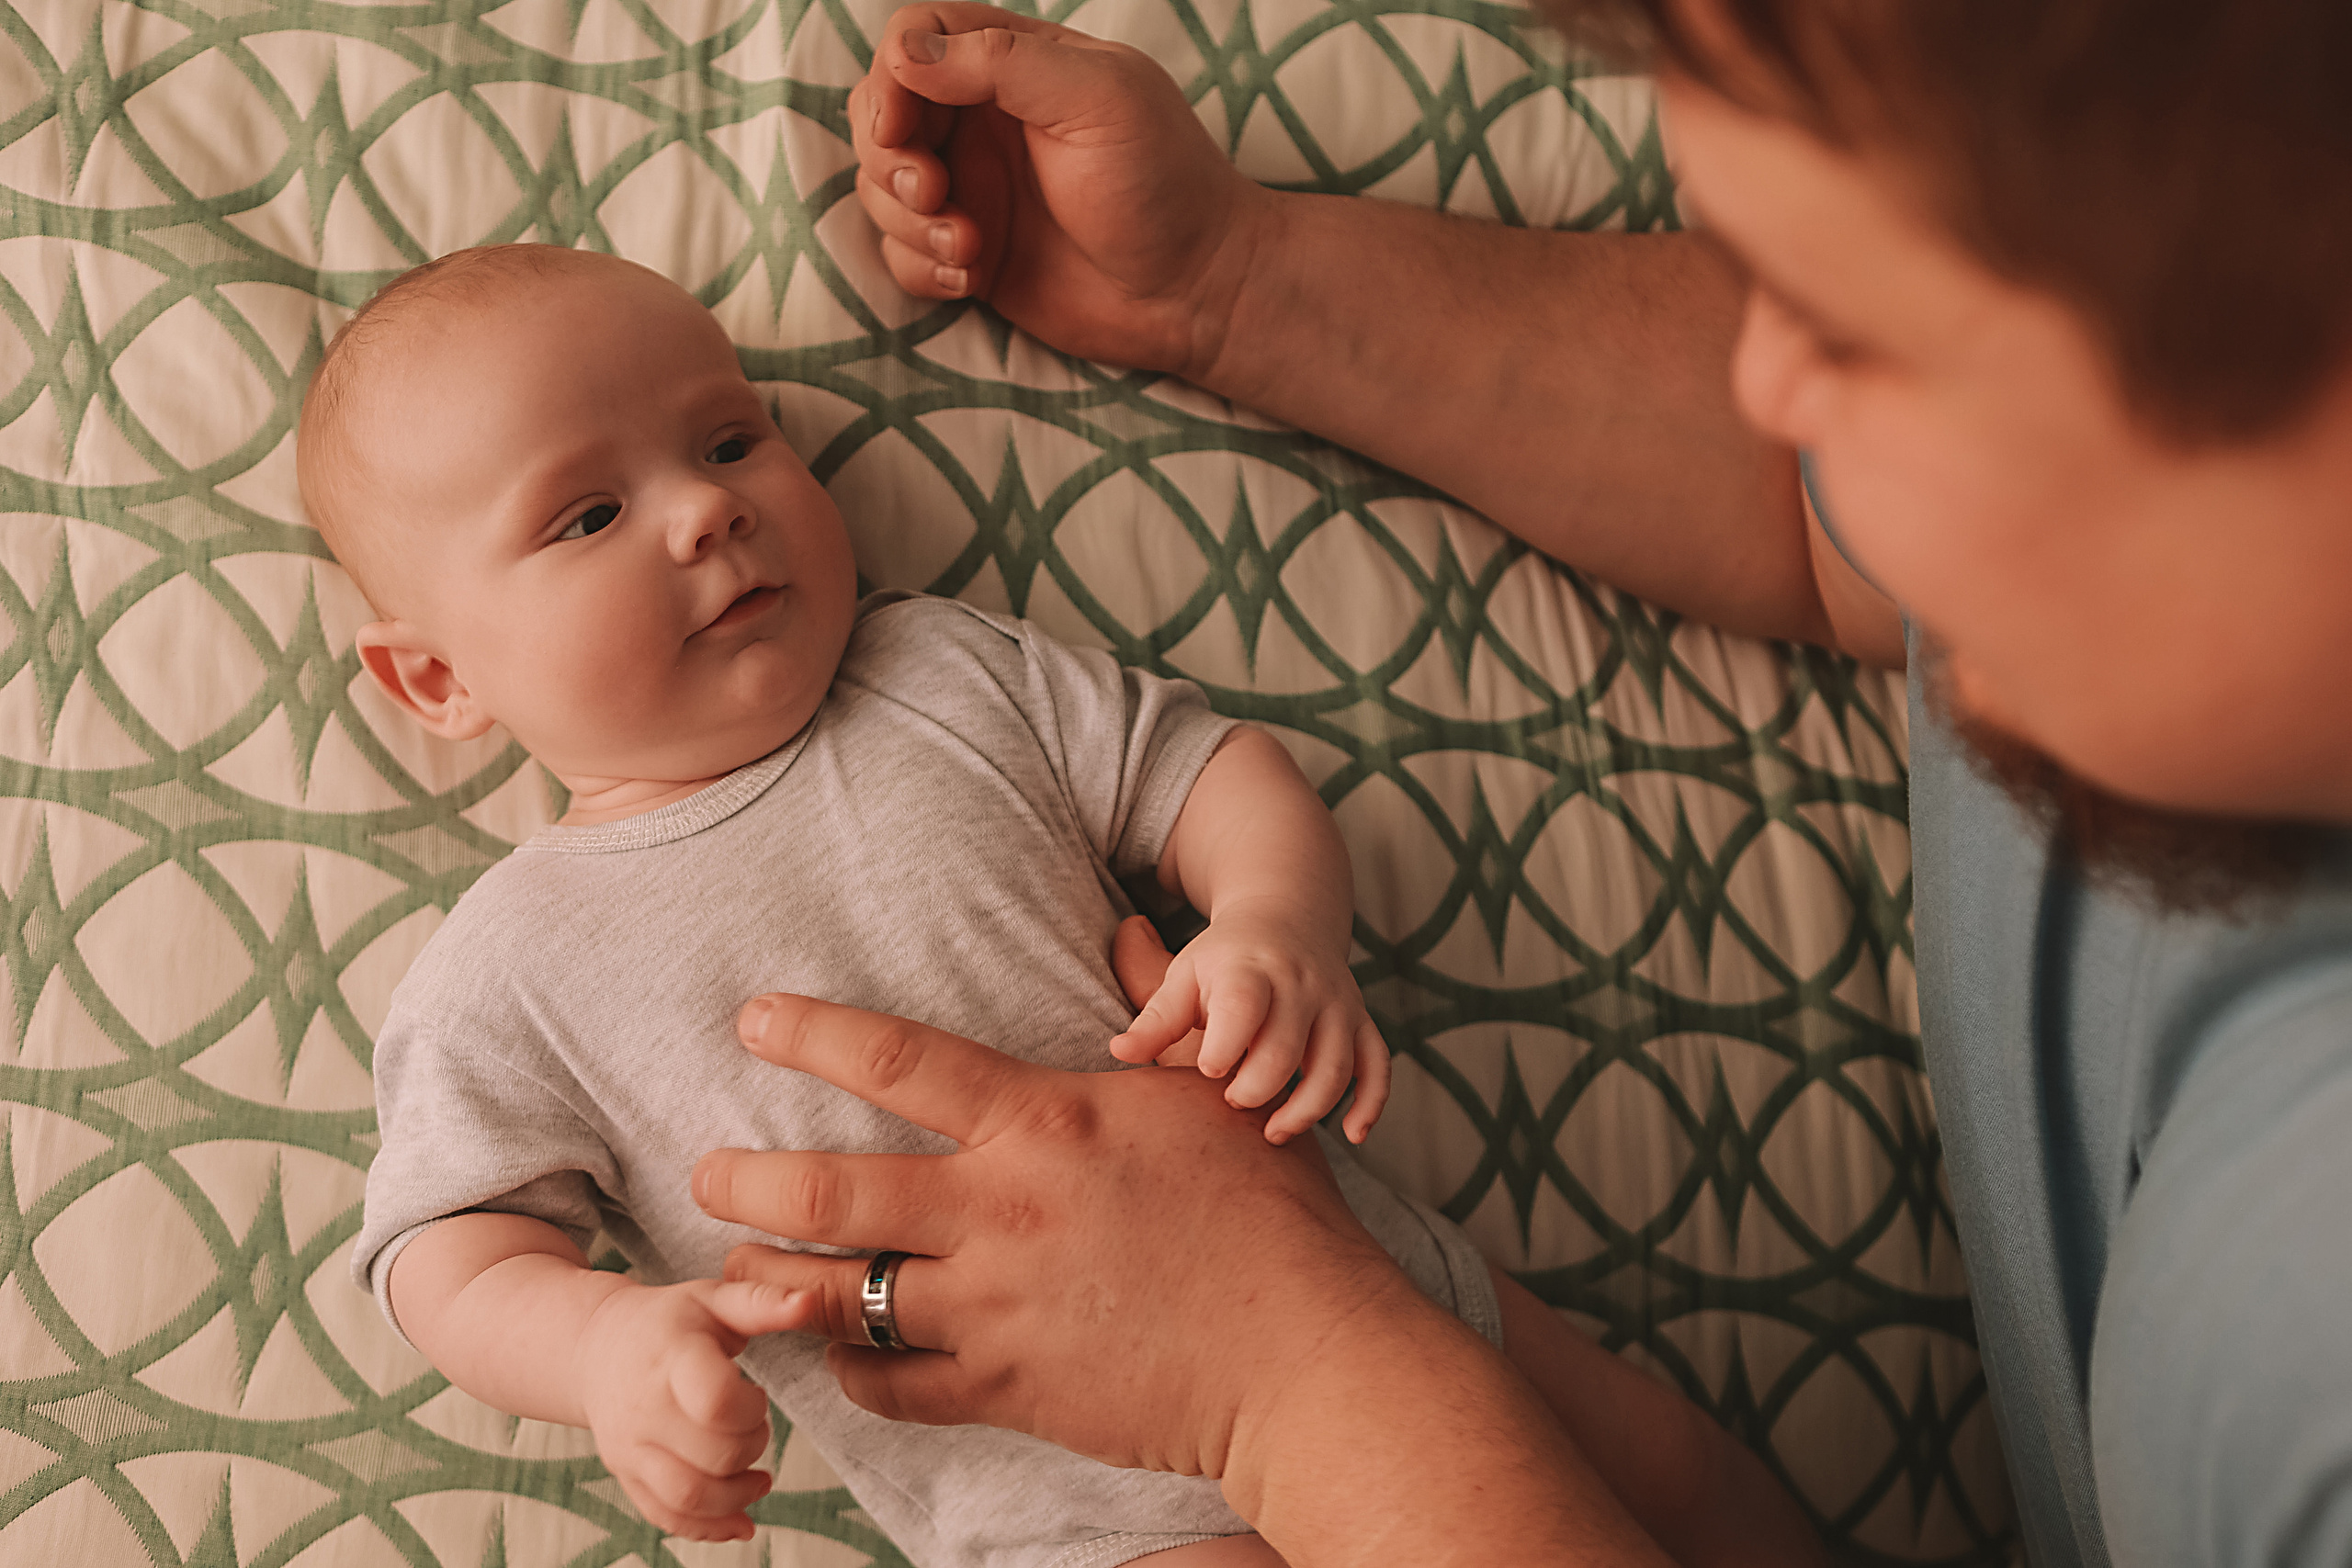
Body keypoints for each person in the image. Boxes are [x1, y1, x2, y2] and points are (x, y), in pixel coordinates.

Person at [688, 3, 2352, 1567]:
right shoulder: (2144, 544)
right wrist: (1233, 283)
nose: (1768, 380)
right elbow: (1823, 498)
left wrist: (1293, 1371)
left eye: (1858, 333)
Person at [305, 245, 1821, 1566]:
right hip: (1073, 1511)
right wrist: (605, 1344)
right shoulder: (509, 967)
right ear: (437, 677)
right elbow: (446, 1254)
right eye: (587, 517)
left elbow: (1213, 773)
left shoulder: (940, 676)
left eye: (730, 440)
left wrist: (1273, 924)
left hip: (1373, 1305)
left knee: (1687, 1486)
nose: (707, 513)